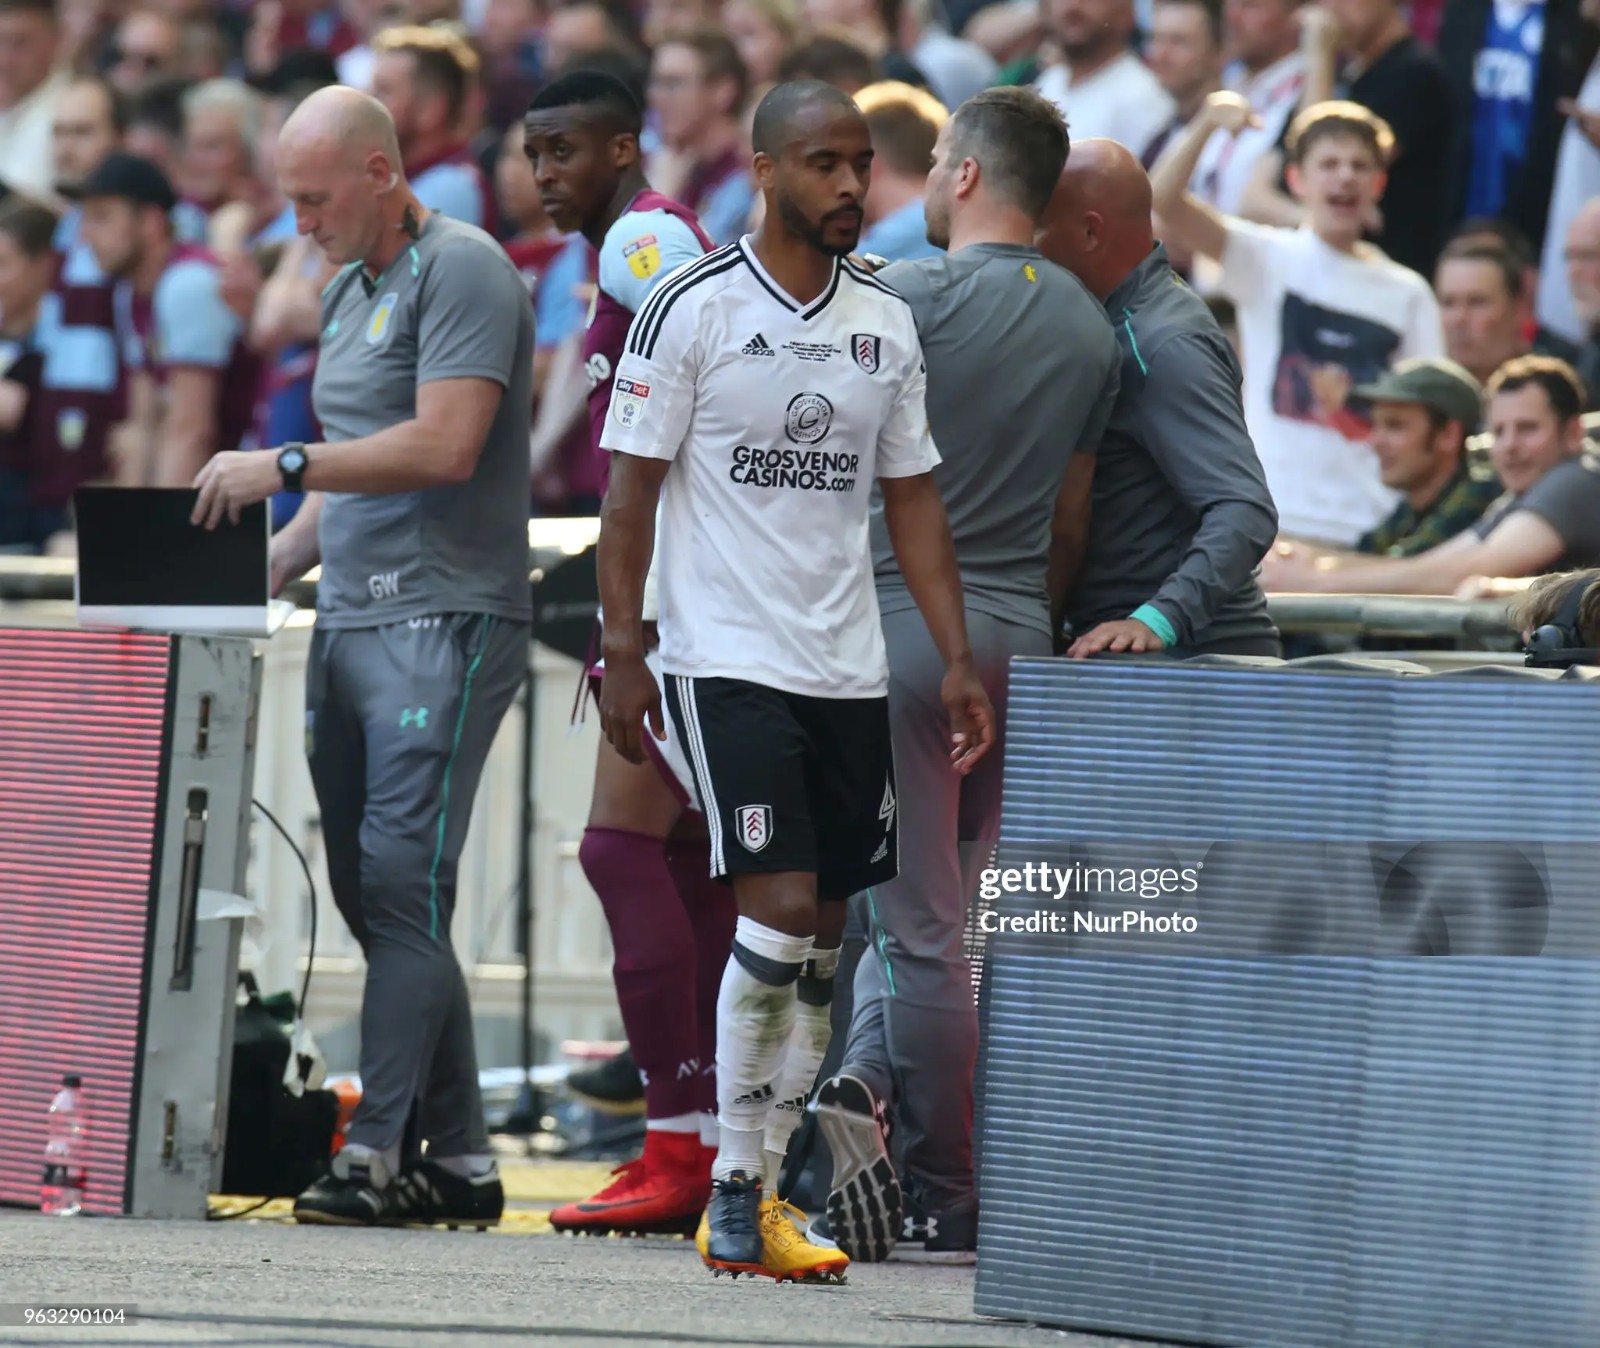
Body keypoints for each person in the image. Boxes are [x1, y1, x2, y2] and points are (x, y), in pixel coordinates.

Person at [595, 79, 996, 1281]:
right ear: (764, 170)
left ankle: (766, 1189)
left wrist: (957, 654)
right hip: (727, 660)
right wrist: (625, 651)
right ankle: (733, 1189)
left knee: (824, 940)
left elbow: (912, 497)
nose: (847, 187)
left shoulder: (884, 318)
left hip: (848, 667)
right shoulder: (689, 308)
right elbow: (628, 494)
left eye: (860, 165)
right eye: (822, 163)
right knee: (775, 913)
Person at [191, 86, 535, 1230]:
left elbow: (445, 446)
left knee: (399, 884)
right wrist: (273, 562)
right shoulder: (349, 288)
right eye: (286, 201)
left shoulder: (467, 267)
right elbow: (347, 472)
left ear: (383, 175)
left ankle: (379, 1148)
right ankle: (468, 1162)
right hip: (350, 614)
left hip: (443, 613)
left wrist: (280, 466)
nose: (299, 223)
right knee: (378, 893)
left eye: (314, 197)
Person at [807, 88, 1118, 1269]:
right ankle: (873, 1093)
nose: (925, 178)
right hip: (1017, 640)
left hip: (897, 632)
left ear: (971, 176)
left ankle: (942, 1184)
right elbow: (1070, 522)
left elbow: (822, 467)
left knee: (921, 928)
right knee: (960, 925)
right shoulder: (1089, 324)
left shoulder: (899, 295)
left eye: (936, 160)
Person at [522, 69, 743, 1239]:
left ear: (624, 147)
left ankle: (673, 1142)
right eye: (534, 155)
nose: (547, 175)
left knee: (617, 851)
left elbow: (669, 435)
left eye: (566, 151)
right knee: (694, 869)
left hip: (667, 599)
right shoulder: (642, 243)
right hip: (700, 590)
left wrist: (628, 626)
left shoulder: (643, 245)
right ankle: (704, 1143)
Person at [1151, 97, 1445, 550]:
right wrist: (1208, 120)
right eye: (1328, 163)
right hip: (1267, 524)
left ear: (1378, 183)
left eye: (1359, 165)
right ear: (1296, 180)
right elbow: (1162, 201)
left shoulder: (1408, 293)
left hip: (1367, 532)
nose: (1344, 175)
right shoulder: (1266, 257)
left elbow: (1426, 414)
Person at [1038, 138, 1279, 659]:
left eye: (1039, 224)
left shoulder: (1164, 344)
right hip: (1129, 658)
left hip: (1194, 673)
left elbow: (1244, 508)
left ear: (1089, 232)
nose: (1026, 243)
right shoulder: (1110, 323)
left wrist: (1159, 617)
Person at [1262, 355, 1600, 593]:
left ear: (1573, 434)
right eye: (1499, 431)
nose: (1509, 446)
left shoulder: (1574, 481)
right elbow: (1427, 566)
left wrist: (1314, 583)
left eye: (1527, 429)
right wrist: (1310, 564)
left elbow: (1467, 573)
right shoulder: (1521, 496)